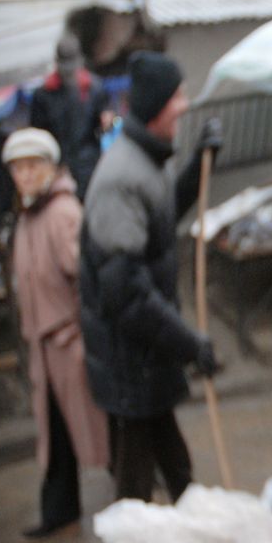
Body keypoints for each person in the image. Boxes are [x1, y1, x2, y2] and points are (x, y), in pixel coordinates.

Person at [79, 51, 222, 503]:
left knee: (174, 464)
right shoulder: (119, 179)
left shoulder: (147, 159)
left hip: (146, 354)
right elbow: (126, 295)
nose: (184, 105)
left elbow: (157, 226)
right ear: (156, 105)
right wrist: (189, 343)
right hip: (131, 359)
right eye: (177, 97)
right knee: (136, 487)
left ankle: (190, 535)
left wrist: (201, 161)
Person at [3, 128, 111, 538]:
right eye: (18, 168)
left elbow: (88, 278)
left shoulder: (62, 213)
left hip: (69, 343)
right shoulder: (29, 216)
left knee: (99, 424)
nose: (25, 175)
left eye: (33, 166)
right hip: (45, 348)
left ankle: (137, 491)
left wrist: (82, 335)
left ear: (50, 168)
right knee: (59, 435)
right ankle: (59, 511)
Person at [29, 33, 112, 200]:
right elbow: (38, 135)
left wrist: (107, 121)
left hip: (88, 165)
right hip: (57, 167)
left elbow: (105, 119)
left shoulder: (94, 88)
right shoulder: (44, 94)